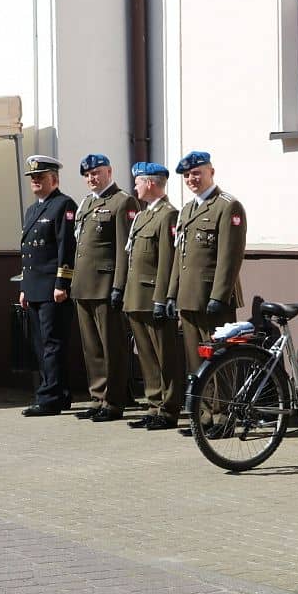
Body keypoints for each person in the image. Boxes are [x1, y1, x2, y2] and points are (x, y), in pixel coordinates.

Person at [70, 154, 139, 423]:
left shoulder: (122, 202)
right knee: (92, 349)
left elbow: (124, 250)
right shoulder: (87, 203)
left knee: (113, 347)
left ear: (109, 171)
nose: (91, 178)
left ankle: (114, 401)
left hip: (106, 285)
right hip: (84, 286)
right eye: (87, 175)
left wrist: (119, 286)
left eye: (96, 173)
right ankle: (98, 398)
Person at [166, 151, 247, 379]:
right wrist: (172, 294)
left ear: (211, 172)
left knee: (219, 362)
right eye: (186, 176)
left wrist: (219, 296)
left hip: (212, 297)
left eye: (196, 173)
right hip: (188, 297)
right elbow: (180, 255)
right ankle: (202, 402)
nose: (191, 179)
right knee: (196, 363)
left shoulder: (228, 206)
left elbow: (230, 255)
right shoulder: (187, 210)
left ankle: (221, 404)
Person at [123, 163, 184, 431]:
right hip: (136, 296)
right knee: (147, 356)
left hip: (153, 297)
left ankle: (169, 409)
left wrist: (162, 298)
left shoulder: (168, 215)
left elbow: (167, 261)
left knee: (164, 356)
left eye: (138, 182)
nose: (135, 186)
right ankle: (154, 405)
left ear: (150, 183)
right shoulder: (143, 215)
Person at [18, 155, 79, 417]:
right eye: (33, 178)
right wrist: (24, 287)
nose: (35, 181)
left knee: (52, 344)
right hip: (35, 287)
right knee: (41, 344)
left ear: (54, 179)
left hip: (53, 288)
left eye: (40, 177)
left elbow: (66, 247)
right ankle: (59, 393)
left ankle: (49, 398)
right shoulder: (33, 210)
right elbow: (28, 253)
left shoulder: (63, 205)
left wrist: (62, 283)